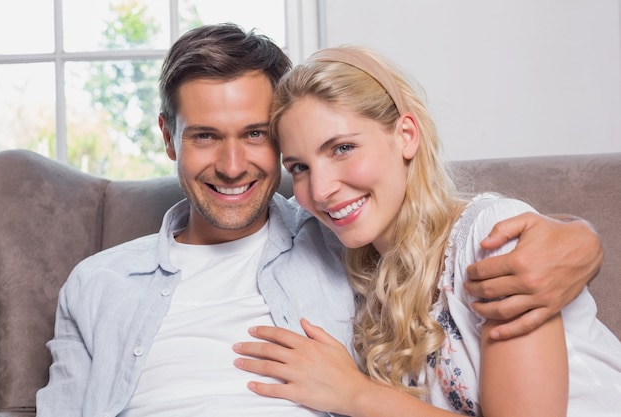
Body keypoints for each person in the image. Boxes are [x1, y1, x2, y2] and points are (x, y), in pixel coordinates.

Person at [36, 24, 603, 416]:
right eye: (205, 135)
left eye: (255, 135)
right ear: (169, 138)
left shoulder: (336, 244)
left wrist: (579, 239)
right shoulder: (96, 284)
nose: (232, 166)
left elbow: (472, 232)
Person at [232, 45, 621, 417]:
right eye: (299, 167)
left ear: (406, 136)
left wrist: (354, 393)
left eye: (342, 148)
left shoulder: (491, 239)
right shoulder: (363, 275)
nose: (319, 190)